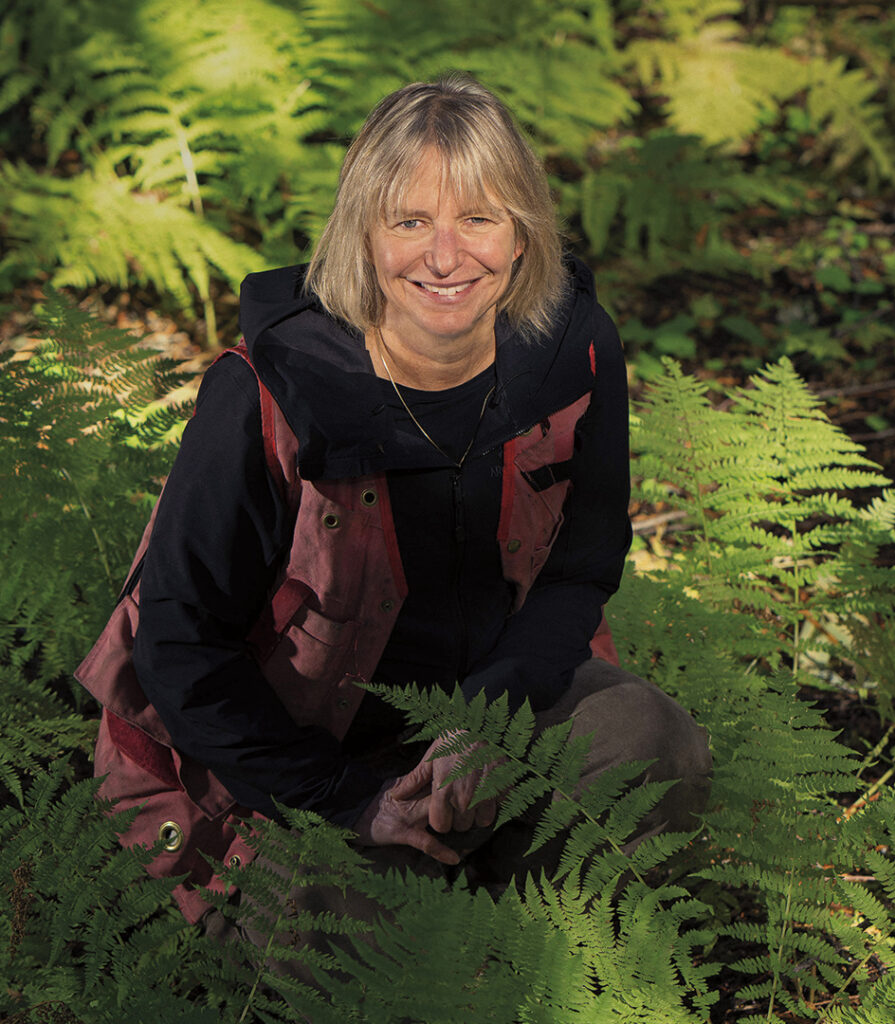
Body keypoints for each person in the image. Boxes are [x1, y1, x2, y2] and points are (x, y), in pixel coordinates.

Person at [77, 73, 712, 963]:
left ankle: (534, 948)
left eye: (479, 219)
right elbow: (179, 651)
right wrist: (353, 799)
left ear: (523, 234)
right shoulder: (267, 392)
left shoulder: (575, 350)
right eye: (410, 221)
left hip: (472, 730)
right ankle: (453, 935)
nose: (445, 257)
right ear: (361, 234)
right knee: (392, 954)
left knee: (658, 744)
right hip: (282, 767)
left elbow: (583, 563)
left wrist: (486, 724)